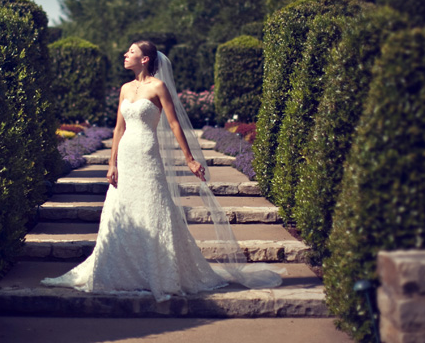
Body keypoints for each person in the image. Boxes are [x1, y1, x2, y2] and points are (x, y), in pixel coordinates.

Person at [41, 41, 282, 301]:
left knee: (153, 209)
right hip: (125, 155)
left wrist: (189, 159)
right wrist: (112, 163)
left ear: (145, 59)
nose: (125, 55)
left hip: (147, 156)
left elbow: (175, 123)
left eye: (131, 52)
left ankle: (159, 271)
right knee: (118, 211)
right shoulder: (124, 89)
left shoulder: (158, 87)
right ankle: (119, 271)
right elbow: (118, 129)